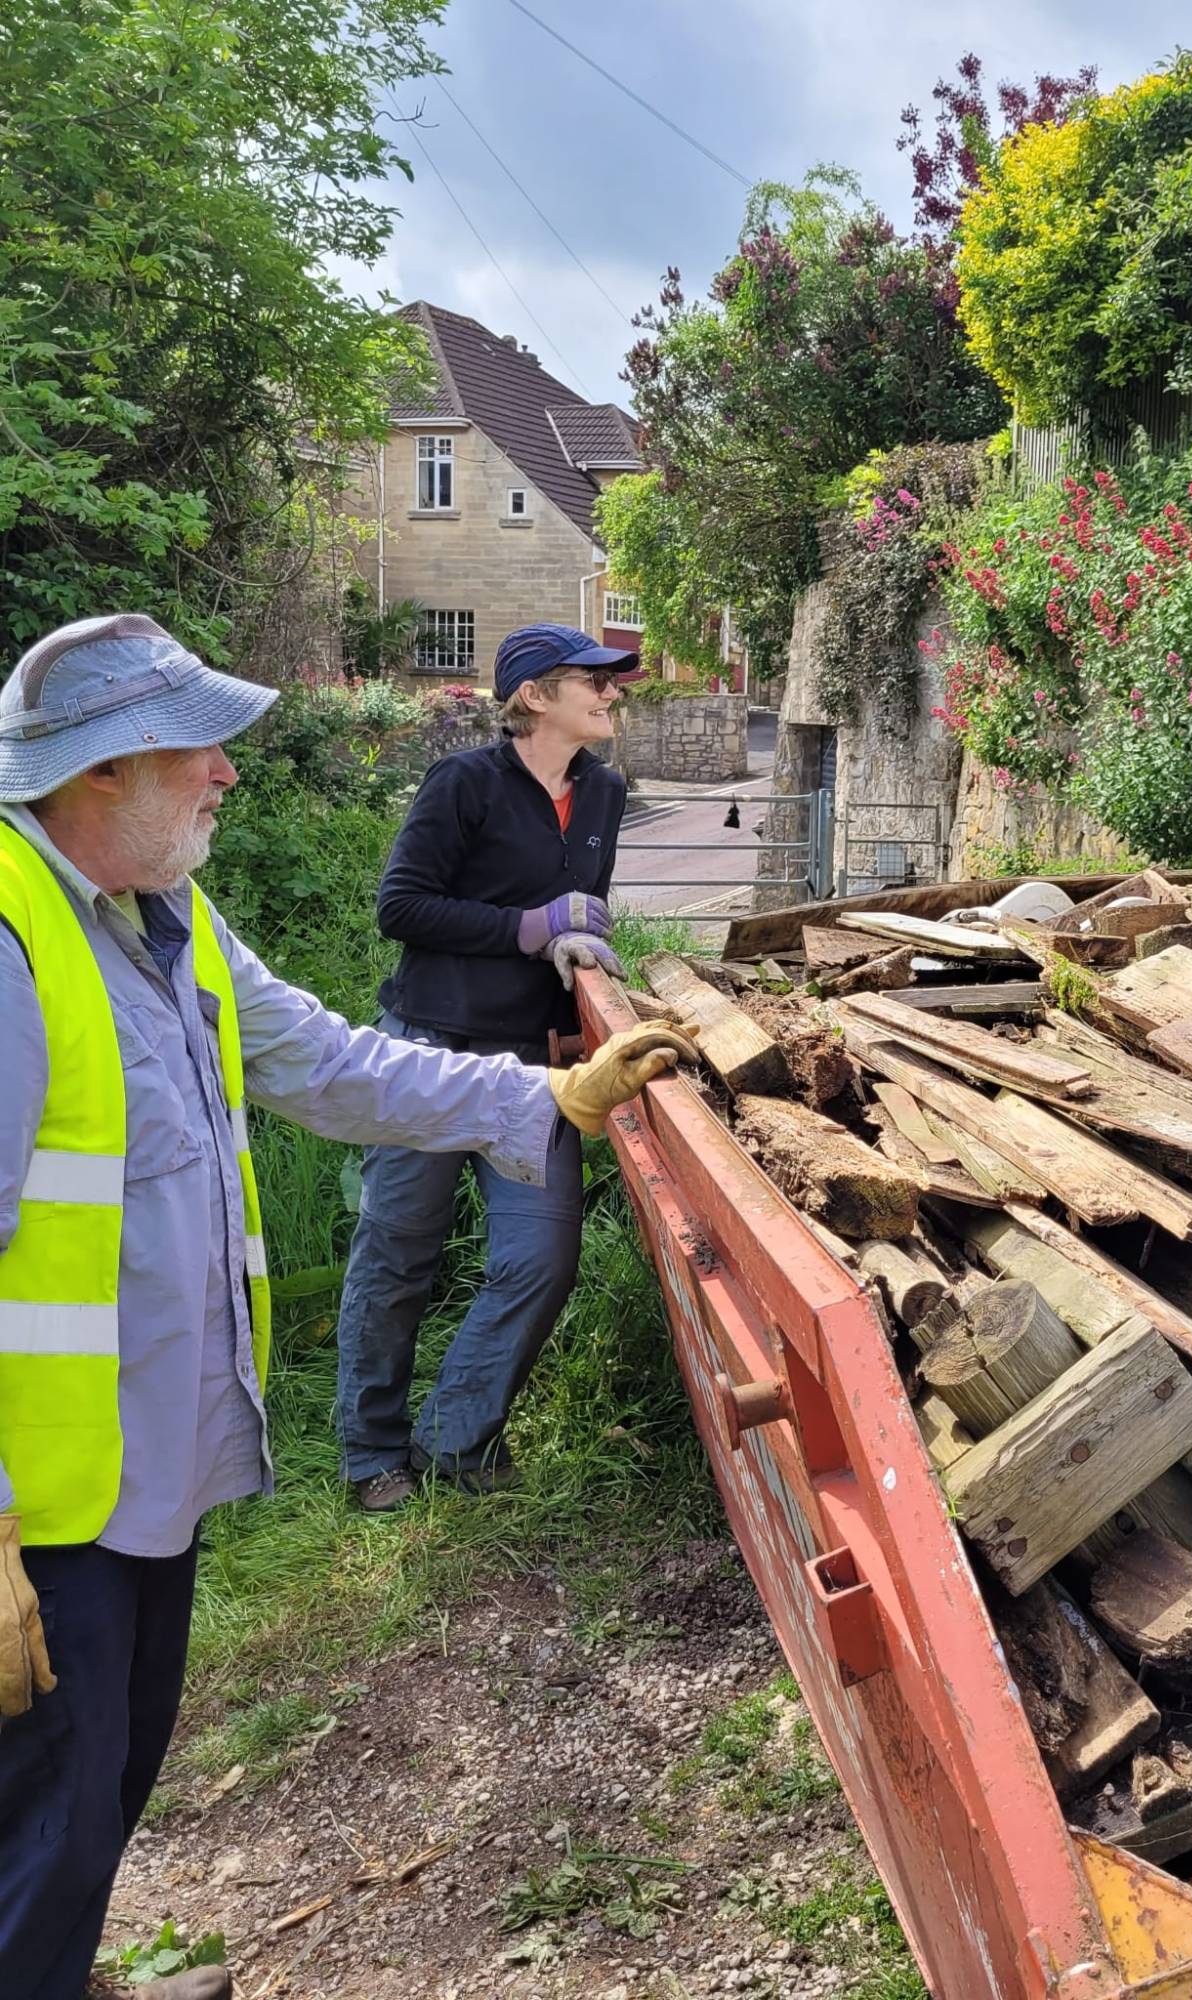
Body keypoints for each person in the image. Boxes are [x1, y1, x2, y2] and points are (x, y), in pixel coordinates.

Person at [0, 613, 692, 2000]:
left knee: (101, 1799)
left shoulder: (156, 914)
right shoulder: (12, 950)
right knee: (38, 1830)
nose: (228, 776)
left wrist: (541, 1096)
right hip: (39, 1521)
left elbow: (322, 1059)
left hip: (140, 1478)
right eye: (198, 750)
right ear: (100, 774)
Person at [333, 624, 643, 1511]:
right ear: (535, 695)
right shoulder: (464, 784)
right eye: (595, 680)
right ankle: (371, 1453)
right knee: (398, 1253)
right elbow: (402, 906)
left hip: (529, 1070)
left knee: (541, 1255)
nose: (612, 694)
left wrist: (579, 946)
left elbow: (581, 909)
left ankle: (456, 1435)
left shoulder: (604, 793)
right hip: (429, 1049)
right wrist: (525, 928)